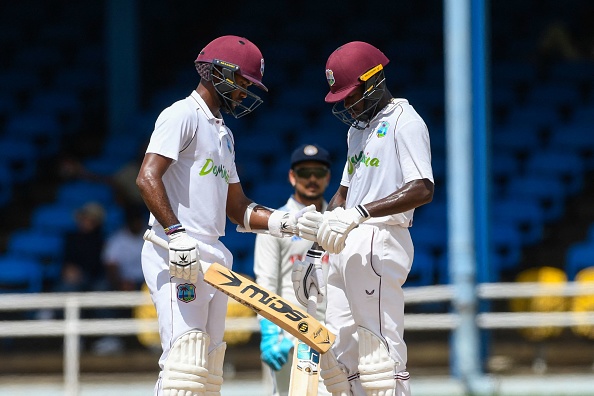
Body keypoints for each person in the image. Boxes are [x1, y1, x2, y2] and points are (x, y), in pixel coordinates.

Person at [136, 35, 316, 396]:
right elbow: (147, 177)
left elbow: (237, 209)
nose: (245, 92)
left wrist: (287, 222)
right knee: (184, 363)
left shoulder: (224, 134)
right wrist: (176, 233)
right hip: (175, 250)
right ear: (220, 73)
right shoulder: (181, 114)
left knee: (208, 367)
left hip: (212, 254)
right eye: (244, 82)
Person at [294, 41, 434, 396]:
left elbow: (422, 188)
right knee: (340, 351)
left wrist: (361, 212)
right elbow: (343, 193)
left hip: (381, 236)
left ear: (373, 81)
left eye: (350, 95)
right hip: (345, 241)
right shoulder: (356, 129)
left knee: (379, 349)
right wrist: (315, 249)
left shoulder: (406, 121)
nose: (345, 104)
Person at [254, 143, 333, 396]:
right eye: (304, 172)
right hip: (290, 337)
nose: (312, 179)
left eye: (319, 173)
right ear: (292, 176)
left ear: (328, 177)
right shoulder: (275, 224)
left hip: (335, 335)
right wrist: (270, 332)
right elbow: (265, 284)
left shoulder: (339, 222)